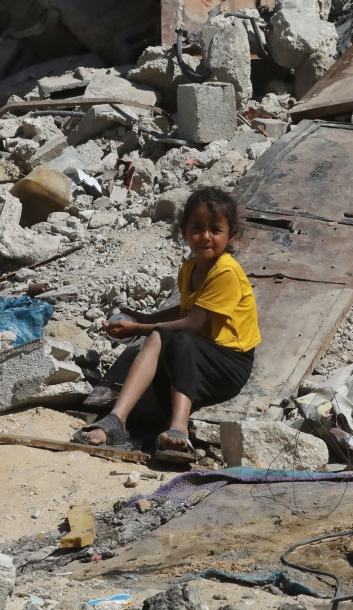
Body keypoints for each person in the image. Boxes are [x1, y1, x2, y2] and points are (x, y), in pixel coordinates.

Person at [71, 187, 261, 462]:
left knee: (173, 338)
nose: (206, 237)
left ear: (230, 235)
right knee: (163, 336)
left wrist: (139, 329)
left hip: (230, 365)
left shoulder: (227, 272)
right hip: (199, 357)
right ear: (184, 232)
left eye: (215, 230)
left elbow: (194, 323)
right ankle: (116, 420)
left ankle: (178, 426)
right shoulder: (190, 268)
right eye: (197, 228)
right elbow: (186, 309)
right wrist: (145, 318)